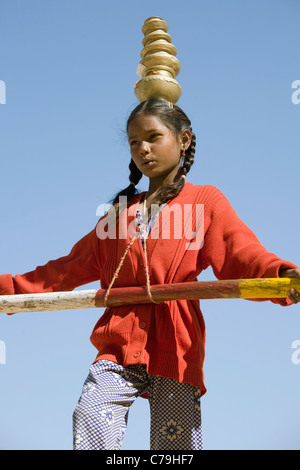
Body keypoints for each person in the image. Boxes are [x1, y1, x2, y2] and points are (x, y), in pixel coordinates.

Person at [0, 98, 299, 451]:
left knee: (175, 446)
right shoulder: (118, 214)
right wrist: (9, 292)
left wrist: (281, 275)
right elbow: (65, 270)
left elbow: (240, 252)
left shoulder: (205, 202)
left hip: (177, 343)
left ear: (184, 140)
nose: (142, 148)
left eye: (153, 137)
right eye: (133, 141)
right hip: (117, 345)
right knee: (90, 415)